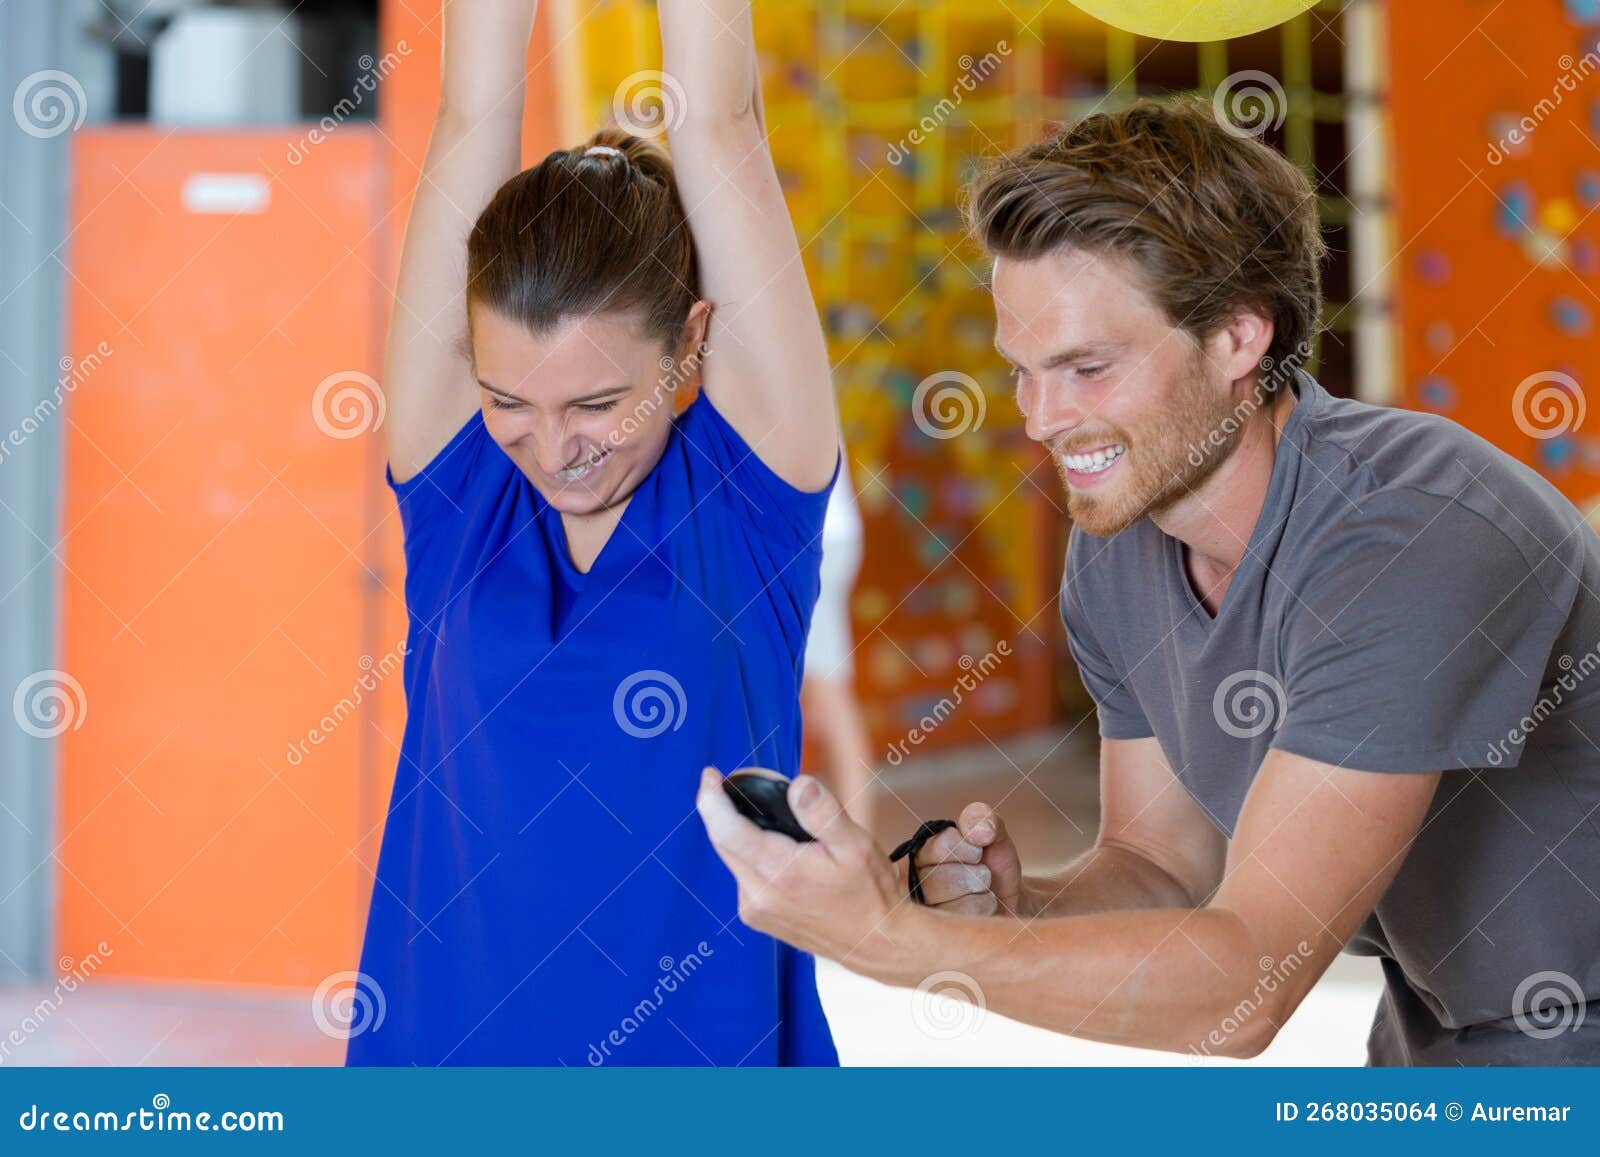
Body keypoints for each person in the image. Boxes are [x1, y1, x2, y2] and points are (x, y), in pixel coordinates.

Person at [696, 97, 1600, 1066]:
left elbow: (1241, 990)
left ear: (1238, 340)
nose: (1041, 417)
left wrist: (895, 942)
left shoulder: (1413, 534)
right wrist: (1009, 908)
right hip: (1440, 1030)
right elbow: (1158, 867)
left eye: (1086, 366)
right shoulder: (1127, 534)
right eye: (1022, 370)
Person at [349, 0, 840, 1066]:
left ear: (691, 343)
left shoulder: (752, 494)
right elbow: (472, 107)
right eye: (507, 399)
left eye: (595, 405)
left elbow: (720, 123)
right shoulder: (458, 489)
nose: (550, 446)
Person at [800, 463, 877, 832]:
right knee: (818, 700)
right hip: (821, 535)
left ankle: (859, 844)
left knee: (829, 695)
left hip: (813, 539)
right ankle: (842, 835)